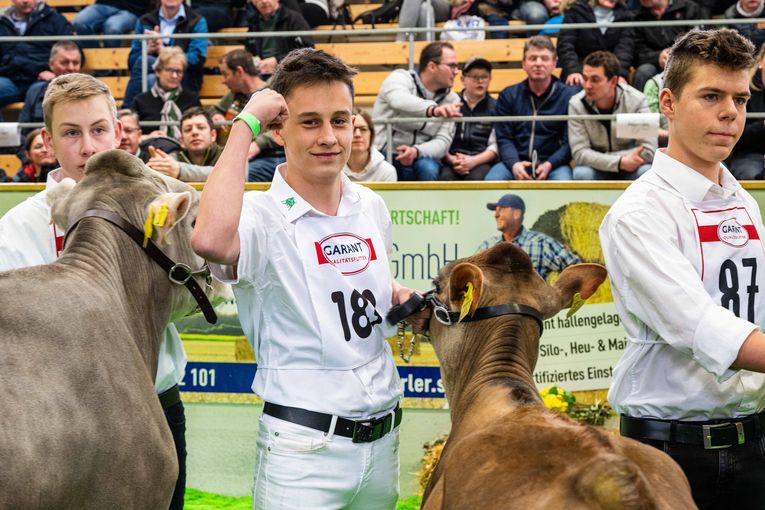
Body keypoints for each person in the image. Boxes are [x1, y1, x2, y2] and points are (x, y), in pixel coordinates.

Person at [193, 48, 416, 508]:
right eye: (310, 121)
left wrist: (395, 295)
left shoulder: (371, 205)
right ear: (278, 128)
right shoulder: (259, 215)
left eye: (341, 119)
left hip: (383, 440)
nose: (330, 137)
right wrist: (242, 126)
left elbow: (359, 296)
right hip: (303, 453)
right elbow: (211, 241)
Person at [0, 73, 189, 510]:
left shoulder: (156, 207)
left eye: (99, 130)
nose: (88, 147)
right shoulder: (17, 229)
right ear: (47, 141)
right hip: (57, 417)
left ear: (118, 133)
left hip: (155, 400)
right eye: (71, 133)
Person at [600, 29, 765, 509]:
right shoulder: (638, 215)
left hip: (752, 440)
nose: (730, 112)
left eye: (741, 98)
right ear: (667, 103)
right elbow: (700, 326)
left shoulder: (740, 199)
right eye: (711, 96)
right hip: (667, 451)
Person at [486, 35, 578, 181]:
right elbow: (504, 138)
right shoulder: (509, 95)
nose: (538, 63)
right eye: (533, 58)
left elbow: (570, 142)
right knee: (491, 182)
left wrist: (550, 164)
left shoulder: (569, 96)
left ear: (554, 63)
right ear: (523, 63)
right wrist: (514, 164)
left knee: (563, 185)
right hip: (514, 162)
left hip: (554, 165)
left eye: (545, 58)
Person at [372, 41, 462, 181]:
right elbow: (398, 100)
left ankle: (428, 204)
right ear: (432, 66)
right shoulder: (400, 77)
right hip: (383, 151)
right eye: (452, 66)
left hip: (421, 155)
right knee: (380, 165)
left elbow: (443, 142)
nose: (456, 72)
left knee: (428, 168)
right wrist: (433, 110)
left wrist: (416, 151)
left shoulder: (453, 99)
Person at [569, 51, 656, 180]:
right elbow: (579, 153)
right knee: (581, 173)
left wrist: (621, 161)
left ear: (613, 81)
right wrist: (619, 162)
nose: (587, 85)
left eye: (595, 79)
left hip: (631, 166)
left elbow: (648, 150)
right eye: (585, 78)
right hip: (598, 168)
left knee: (646, 171)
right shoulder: (576, 104)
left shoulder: (637, 100)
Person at [210, 48, 285, 182]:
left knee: (234, 177)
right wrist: (216, 115)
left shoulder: (274, 92)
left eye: (225, 74)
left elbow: (286, 124)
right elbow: (212, 109)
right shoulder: (235, 95)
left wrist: (259, 144)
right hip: (245, 155)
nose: (223, 81)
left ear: (239, 71)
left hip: (272, 153)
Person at [122, 0, 208, 109]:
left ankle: (127, 110)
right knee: (145, 64)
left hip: (185, 77)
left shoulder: (196, 21)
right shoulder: (145, 20)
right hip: (150, 75)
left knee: (147, 67)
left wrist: (164, 51)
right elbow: (131, 62)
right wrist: (147, 50)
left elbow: (197, 59)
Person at [477, 193, 581, 280]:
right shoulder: (488, 246)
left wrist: (557, 296)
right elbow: (470, 274)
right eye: (496, 210)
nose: (496, 214)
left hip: (531, 305)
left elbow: (577, 268)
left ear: (516, 213)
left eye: (502, 209)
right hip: (496, 305)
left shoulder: (542, 243)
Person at [0, 0, 73, 110]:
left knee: (44, 92)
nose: (25, 1)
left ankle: (36, 128)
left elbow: (73, 50)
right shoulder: (2, 22)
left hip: (41, 78)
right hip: (9, 79)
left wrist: (55, 72)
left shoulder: (55, 19)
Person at [439, 56, 499, 181]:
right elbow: (439, 135)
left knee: (476, 179)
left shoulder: (496, 107)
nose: (480, 81)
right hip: (451, 159)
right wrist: (451, 159)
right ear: (462, 79)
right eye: (474, 77)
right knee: (445, 178)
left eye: (485, 77)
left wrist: (473, 161)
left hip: (481, 161)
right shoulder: (451, 103)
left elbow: (495, 145)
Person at [556, 0, 635, 86]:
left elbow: (625, 49)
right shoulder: (576, 11)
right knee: (573, 90)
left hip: (610, 72)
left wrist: (620, 74)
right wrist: (573, 71)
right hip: (580, 71)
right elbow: (566, 45)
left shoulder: (625, 15)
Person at [18, 41, 83, 143]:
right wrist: (28, 157)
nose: (71, 68)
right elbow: (22, 133)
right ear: (51, 64)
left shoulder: (91, 94)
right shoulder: (35, 91)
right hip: (41, 153)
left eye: (75, 63)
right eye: (64, 62)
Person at [631, 0, 703, 92]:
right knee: (644, 71)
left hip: (686, 59)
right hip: (655, 64)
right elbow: (637, 52)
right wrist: (658, 56)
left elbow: (701, 42)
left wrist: (678, 54)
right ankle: (641, 106)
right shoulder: (637, 17)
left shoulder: (689, 8)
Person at [132, 47, 201, 140]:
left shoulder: (192, 99)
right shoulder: (140, 101)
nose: (174, 76)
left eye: (179, 71)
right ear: (158, 71)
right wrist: (147, 137)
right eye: (169, 70)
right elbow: (130, 133)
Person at [147, 106, 224, 182]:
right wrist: (156, 166)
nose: (194, 132)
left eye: (201, 127)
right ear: (182, 140)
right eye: (188, 129)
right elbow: (167, 164)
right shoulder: (175, 157)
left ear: (213, 135)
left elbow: (224, 173)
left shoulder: (226, 154)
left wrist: (180, 171)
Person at [243, 0, 314, 78]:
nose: (264, 1)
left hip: (289, 71)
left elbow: (308, 50)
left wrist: (278, 60)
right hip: (261, 72)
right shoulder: (253, 22)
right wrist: (254, 61)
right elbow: (249, 50)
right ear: (253, 2)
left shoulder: (293, 18)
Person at [728, 42, 765, 180]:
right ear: (760, 61)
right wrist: (762, 126)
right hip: (749, 154)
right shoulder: (742, 90)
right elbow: (732, 135)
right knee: (751, 174)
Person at [343, 108, 397, 182]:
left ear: (371, 135)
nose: (357, 134)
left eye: (363, 129)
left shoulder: (386, 171)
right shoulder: (334, 169)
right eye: (353, 129)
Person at [72, 0, 152, 49]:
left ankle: (110, 69)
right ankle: (101, 65)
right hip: (103, 4)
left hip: (132, 10)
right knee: (80, 22)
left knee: (112, 28)